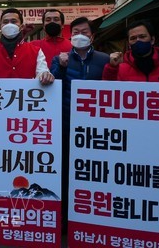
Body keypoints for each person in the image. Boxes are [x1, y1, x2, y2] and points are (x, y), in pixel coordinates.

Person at [50, 16, 109, 231]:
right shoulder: (60, 59)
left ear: (92, 37)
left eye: (84, 32)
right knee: (66, 173)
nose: (80, 36)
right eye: (75, 33)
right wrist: (60, 67)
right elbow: (51, 86)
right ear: (70, 36)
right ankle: (66, 220)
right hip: (67, 126)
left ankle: (91, 220)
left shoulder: (104, 60)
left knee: (93, 174)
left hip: (97, 130)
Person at [102, 19, 159, 107]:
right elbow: (106, 95)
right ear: (129, 44)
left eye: (142, 37)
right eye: (133, 38)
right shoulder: (120, 68)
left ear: (152, 40)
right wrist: (112, 68)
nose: (138, 40)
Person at [0, 8, 54, 84]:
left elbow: (42, 72)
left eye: (13, 21)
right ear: (0, 26)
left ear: (21, 26)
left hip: (25, 97)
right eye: (5, 22)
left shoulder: (35, 51)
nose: (9, 24)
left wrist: (45, 75)